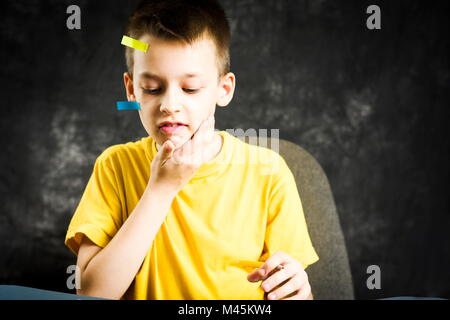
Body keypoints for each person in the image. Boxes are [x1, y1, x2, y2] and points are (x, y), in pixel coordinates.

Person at [64, 0, 319, 300]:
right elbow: (91, 293)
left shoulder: (268, 172)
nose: (170, 105)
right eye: (152, 88)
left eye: (190, 89)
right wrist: (160, 190)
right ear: (131, 89)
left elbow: (290, 291)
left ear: (223, 89)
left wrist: (300, 291)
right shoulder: (115, 167)